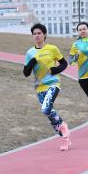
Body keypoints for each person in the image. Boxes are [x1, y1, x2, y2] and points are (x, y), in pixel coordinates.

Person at [23, 23, 71, 151]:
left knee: (46, 108)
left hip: (53, 83)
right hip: (39, 87)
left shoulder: (52, 48)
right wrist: (31, 62)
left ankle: (63, 128)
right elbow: (26, 73)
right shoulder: (30, 53)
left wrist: (55, 70)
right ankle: (64, 137)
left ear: (44, 34)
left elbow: (64, 63)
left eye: (39, 33)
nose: (37, 36)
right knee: (49, 114)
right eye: (34, 34)